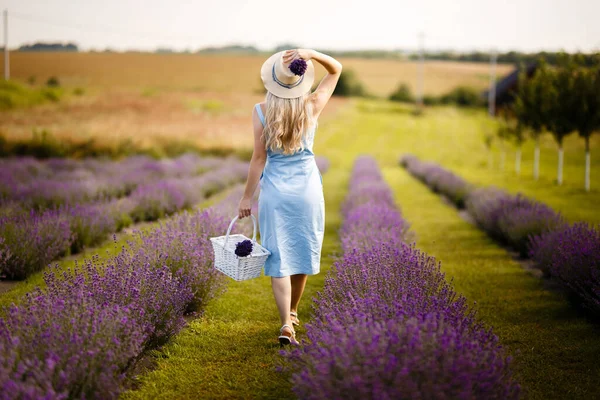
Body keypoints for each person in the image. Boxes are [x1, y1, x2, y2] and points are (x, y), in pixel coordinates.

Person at [238, 48, 342, 346]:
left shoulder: (260, 111)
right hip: (307, 191)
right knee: (303, 248)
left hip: (275, 193)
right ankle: (294, 311)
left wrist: (246, 198)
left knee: (279, 255)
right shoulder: (312, 106)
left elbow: (258, 160)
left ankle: (286, 323)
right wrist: (312, 53)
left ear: (272, 81)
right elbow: (335, 70)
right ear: (301, 80)